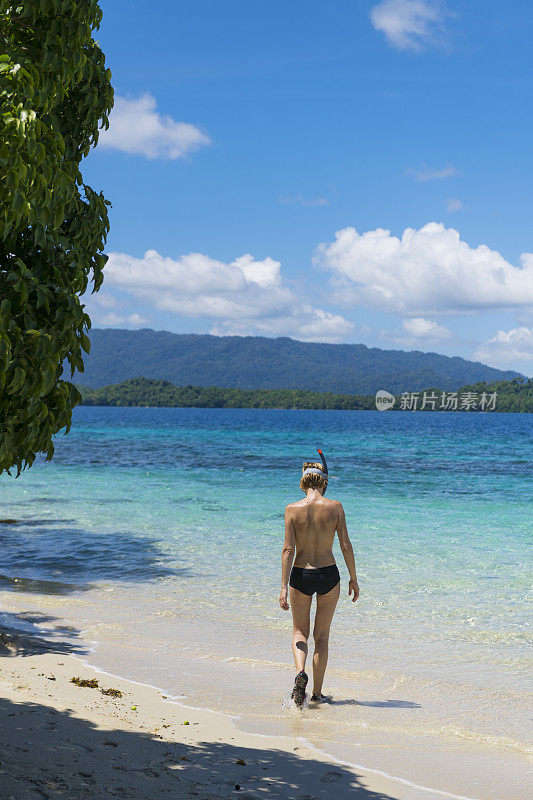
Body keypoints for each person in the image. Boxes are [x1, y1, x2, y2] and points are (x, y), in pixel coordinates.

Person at [279, 451, 359, 707]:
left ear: (303, 481)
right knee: (321, 636)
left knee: (299, 632)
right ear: (323, 481)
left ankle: (300, 673)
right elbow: (345, 545)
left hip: (301, 573)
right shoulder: (335, 506)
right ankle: (316, 694)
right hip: (328, 574)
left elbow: (288, 550)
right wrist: (353, 579)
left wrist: (283, 587)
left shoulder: (291, 509)